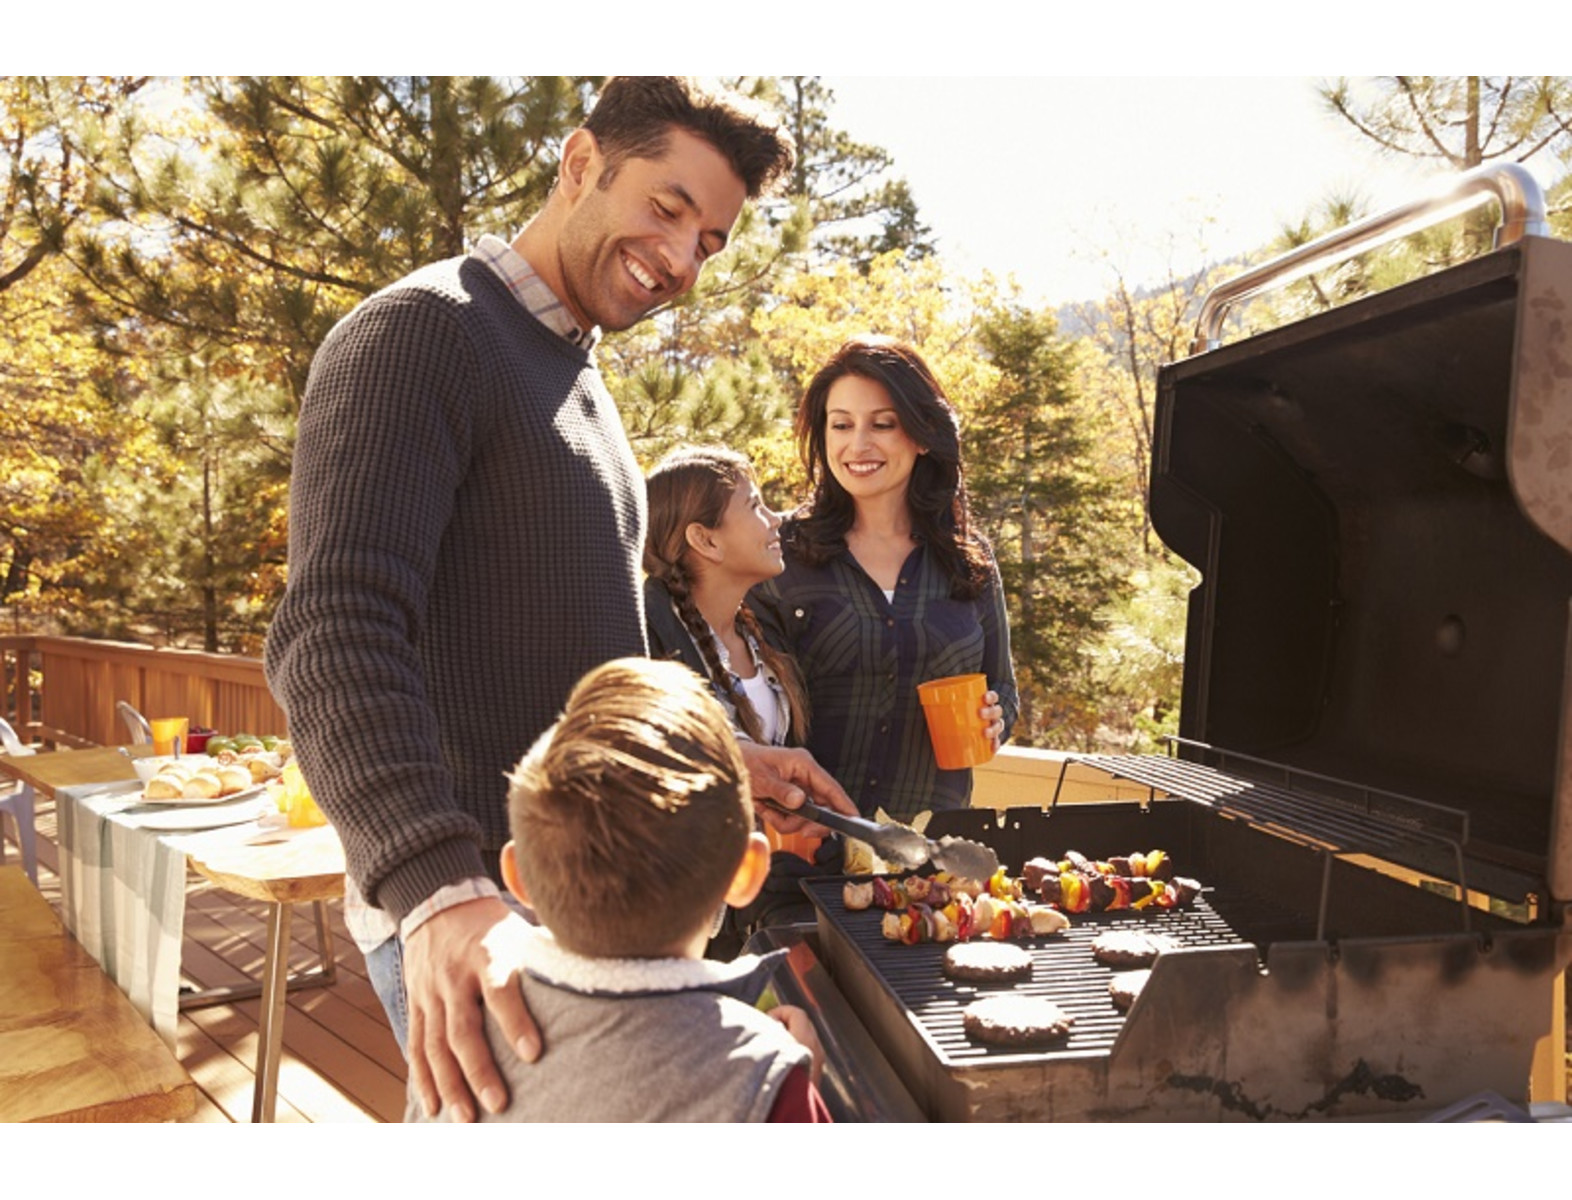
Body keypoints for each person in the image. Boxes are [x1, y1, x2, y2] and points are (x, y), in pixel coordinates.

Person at [263, 77, 856, 1124]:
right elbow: (333, 633)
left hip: (580, 917)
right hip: (478, 913)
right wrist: (438, 889)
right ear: (580, 163)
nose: (681, 259)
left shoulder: (582, 387)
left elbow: (594, 660)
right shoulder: (423, 333)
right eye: (667, 209)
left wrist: (719, 757)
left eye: (709, 241)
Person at [406, 656, 832, 1122]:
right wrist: (790, 1087)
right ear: (747, 871)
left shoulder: (455, 1041)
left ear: (518, 877)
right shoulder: (759, 1074)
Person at [753, 334, 1018, 826]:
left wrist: (993, 718)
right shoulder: (777, 552)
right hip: (803, 851)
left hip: (927, 859)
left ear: (921, 435)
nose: (858, 445)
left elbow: (1002, 686)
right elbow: (732, 699)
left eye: (882, 424)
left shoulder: (969, 560)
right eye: (841, 425)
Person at [643, 446, 837, 946]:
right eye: (755, 506)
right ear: (705, 539)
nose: (776, 520)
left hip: (760, 903)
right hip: (682, 921)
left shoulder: (763, 632)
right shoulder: (645, 636)